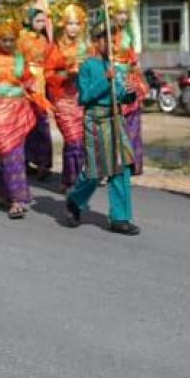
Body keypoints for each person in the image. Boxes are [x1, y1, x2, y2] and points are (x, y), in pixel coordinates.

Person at [65, 17, 140, 235]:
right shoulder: (87, 66)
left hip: (116, 121)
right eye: (106, 39)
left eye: (113, 39)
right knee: (95, 171)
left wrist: (130, 92)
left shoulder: (115, 66)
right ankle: (75, 199)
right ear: (96, 41)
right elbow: (85, 97)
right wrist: (105, 80)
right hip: (96, 121)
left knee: (121, 168)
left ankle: (120, 218)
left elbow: (122, 96)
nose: (111, 43)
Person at [0, 8, 51, 219]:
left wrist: (39, 100)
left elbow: (28, 81)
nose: (8, 44)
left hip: (18, 110)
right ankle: (18, 198)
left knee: (14, 153)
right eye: (4, 40)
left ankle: (4, 193)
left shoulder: (19, 58)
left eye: (11, 40)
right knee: (9, 151)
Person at [45, 0, 89, 192]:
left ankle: (68, 179)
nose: (73, 28)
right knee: (73, 140)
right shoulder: (55, 47)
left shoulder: (86, 47)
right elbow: (48, 74)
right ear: (63, 24)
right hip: (63, 99)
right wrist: (66, 74)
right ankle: (73, 182)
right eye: (70, 23)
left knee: (79, 141)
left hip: (82, 99)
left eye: (77, 23)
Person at [106, 0, 147, 174]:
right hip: (112, 79)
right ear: (111, 13)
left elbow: (132, 57)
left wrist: (136, 73)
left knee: (132, 119)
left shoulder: (127, 33)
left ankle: (132, 162)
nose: (123, 16)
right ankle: (114, 163)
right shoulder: (105, 34)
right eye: (119, 12)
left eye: (125, 12)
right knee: (114, 122)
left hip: (128, 78)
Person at [19, 5, 55, 181]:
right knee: (26, 123)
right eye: (38, 20)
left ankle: (44, 163)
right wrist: (25, 80)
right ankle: (25, 161)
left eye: (43, 21)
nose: (41, 24)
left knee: (42, 123)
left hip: (42, 82)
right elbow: (18, 60)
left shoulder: (45, 39)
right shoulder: (22, 37)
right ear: (30, 21)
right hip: (26, 83)